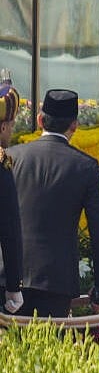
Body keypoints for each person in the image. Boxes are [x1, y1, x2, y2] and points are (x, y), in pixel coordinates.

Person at [8, 89, 99, 317]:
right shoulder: (85, 166)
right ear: (74, 125)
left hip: (7, 276)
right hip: (56, 281)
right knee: (49, 349)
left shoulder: (11, 156)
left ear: (39, 120)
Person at [0, 83, 23, 314]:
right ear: (3, 126)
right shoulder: (1, 164)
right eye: (12, 125)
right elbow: (9, 229)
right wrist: (14, 286)